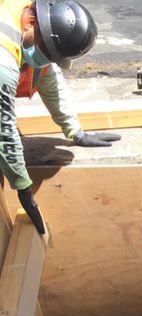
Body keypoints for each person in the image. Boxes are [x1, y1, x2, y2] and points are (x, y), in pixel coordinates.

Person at [0, 0, 122, 236]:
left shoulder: (35, 31)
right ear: (31, 23)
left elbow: (49, 80)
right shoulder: (3, 59)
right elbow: (3, 129)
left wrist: (75, 131)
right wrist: (23, 187)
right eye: (48, 53)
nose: (46, 59)